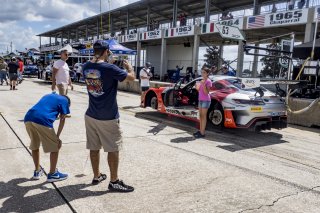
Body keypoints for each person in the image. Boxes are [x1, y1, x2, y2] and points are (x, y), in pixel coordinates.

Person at [82, 40, 135, 192]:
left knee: (94, 147)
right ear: (106, 51)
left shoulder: (86, 66)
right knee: (113, 149)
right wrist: (129, 67)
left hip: (91, 114)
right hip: (108, 116)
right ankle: (114, 181)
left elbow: (98, 71)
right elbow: (131, 77)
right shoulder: (110, 68)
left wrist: (106, 60)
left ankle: (97, 175)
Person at [24, 93, 71, 182]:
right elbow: (62, 118)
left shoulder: (49, 95)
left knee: (35, 144)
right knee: (55, 146)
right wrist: (57, 137)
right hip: (43, 119)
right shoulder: (65, 101)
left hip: (28, 117)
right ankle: (53, 174)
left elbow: (45, 108)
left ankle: (37, 172)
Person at [194, 67, 212, 138]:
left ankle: (202, 133)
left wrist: (203, 84)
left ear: (207, 73)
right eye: (202, 72)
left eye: (204, 72)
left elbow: (207, 92)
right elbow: (200, 91)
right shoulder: (202, 80)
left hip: (206, 100)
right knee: (201, 116)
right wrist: (197, 88)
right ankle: (200, 131)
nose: (202, 74)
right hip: (200, 100)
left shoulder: (208, 81)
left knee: (203, 116)